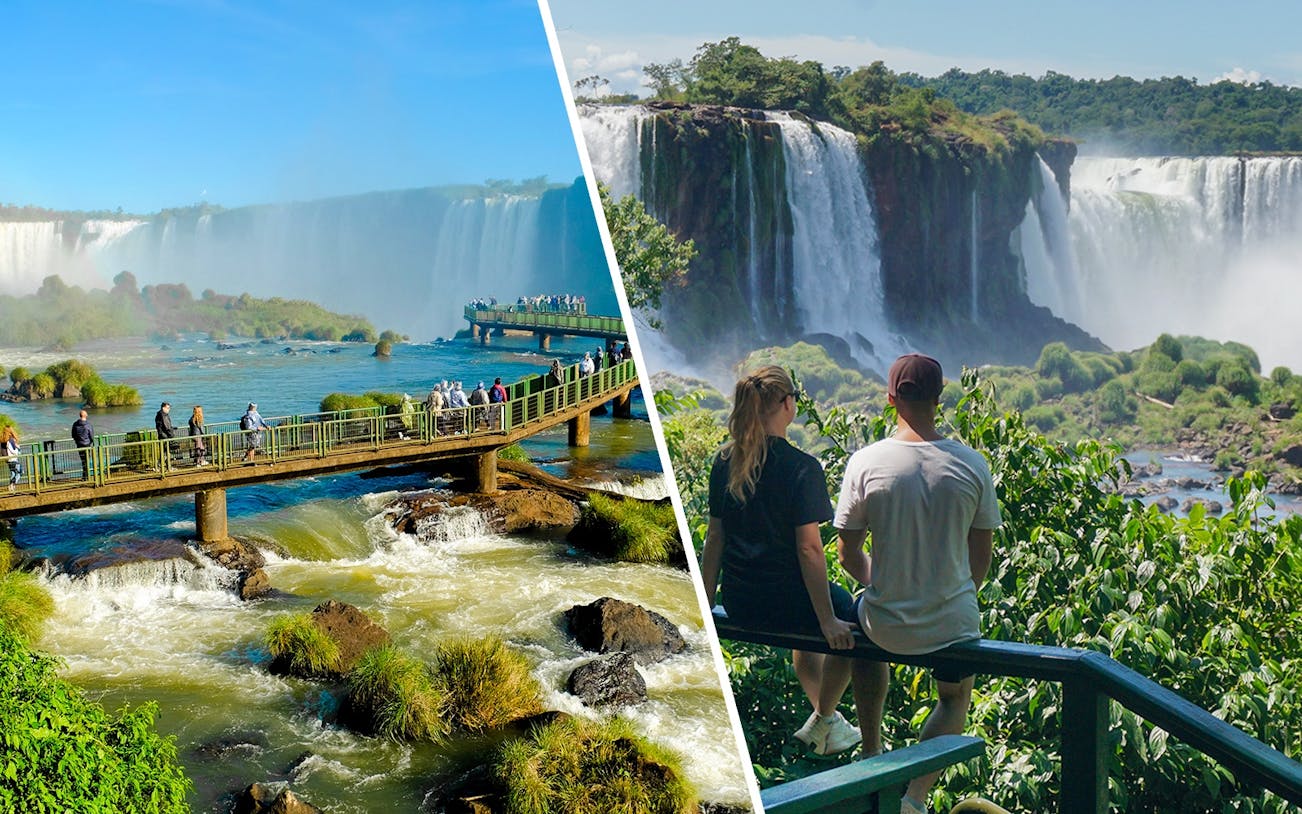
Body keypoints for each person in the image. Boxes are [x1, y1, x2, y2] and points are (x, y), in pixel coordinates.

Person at [834, 353, 1001, 813]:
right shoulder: (972, 465)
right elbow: (979, 560)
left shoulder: (866, 462)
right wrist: (944, 592)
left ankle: (871, 752)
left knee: (858, 626)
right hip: (952, 623)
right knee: (954, 698)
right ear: (939, 399)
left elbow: (846, 553)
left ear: (891, 399)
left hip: (884, 620)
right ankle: (914, 796)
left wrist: (882, 583)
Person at [700, 365, 862, 756]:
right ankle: (825, 718)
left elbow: (714, 538)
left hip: (740, 602)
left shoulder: (725, 462)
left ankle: (828, 722)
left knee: (809, 645)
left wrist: (705, 604)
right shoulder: (802, 467)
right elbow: (809, 550)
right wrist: (827, 618)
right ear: (788, 404)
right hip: (789, 602)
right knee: (855, 618)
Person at [72, 408, 95, 480]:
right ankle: (87, 476)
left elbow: (73, 435)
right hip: (87, 444)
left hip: (79, 444)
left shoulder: (75, 424)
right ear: (85, 415)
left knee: (83, 460)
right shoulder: (88, 425)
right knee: (87, 460)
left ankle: (85, 476)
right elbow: (91, 435)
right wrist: (91, 441)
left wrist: (77, 441)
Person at [155, 402, 177, 467]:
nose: (169, 409)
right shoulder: (163, 415)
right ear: (163, 408)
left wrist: (172, 428)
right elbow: (167, 427)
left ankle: (160, 465)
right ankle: (166, 467)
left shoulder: (160, 414)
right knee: (167, 452)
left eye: (169, 408)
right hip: (165, 436)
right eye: (168, 408)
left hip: (162, 435)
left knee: (164, 452)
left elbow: (162, 426)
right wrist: (172, 435)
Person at [4, 427, 22, 492]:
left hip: (10, 460)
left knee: (13, 473)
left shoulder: (8, 441)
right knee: (19, 473)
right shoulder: (10, 441)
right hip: (13, 460)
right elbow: (13, 451)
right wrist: (18, 448)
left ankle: (11, 486)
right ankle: (12, 485)